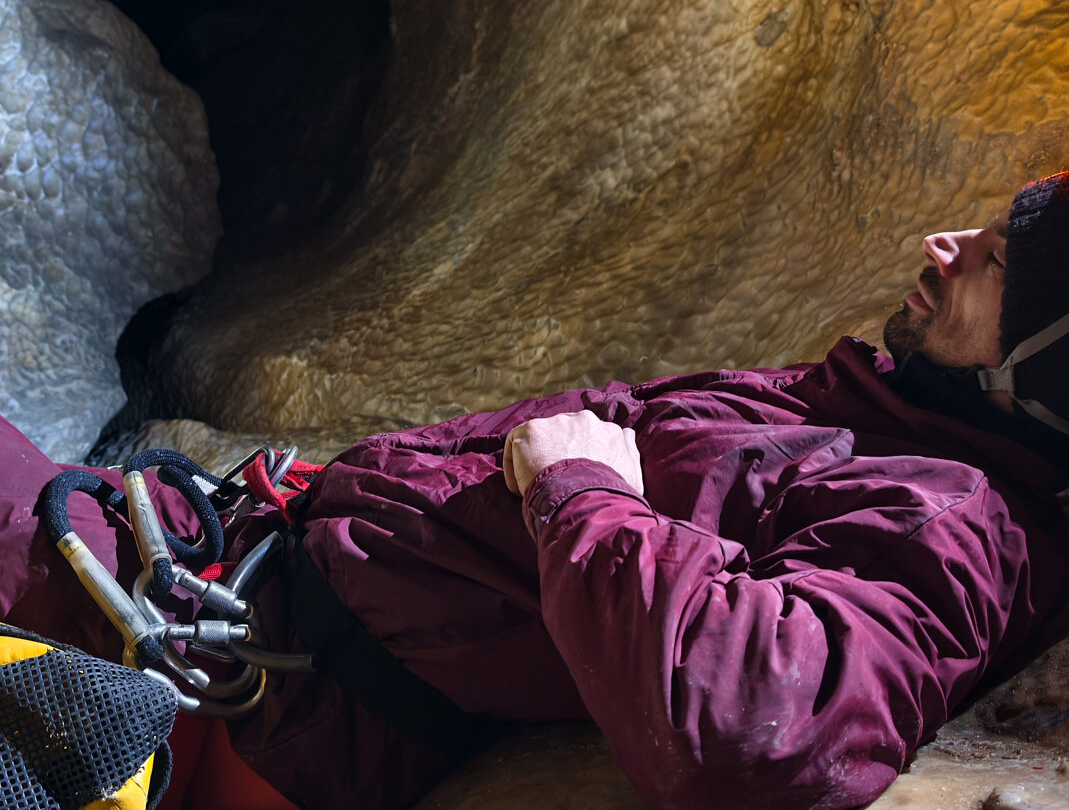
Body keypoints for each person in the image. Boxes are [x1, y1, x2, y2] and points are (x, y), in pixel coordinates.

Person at [2, 171, 1069, 810]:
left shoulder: (953, 520)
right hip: (225, 584)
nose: (942, 245)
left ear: (1041, 368)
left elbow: (756, 721)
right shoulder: (898, 421)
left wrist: (581, 489)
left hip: (259, 670)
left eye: (984, 264)